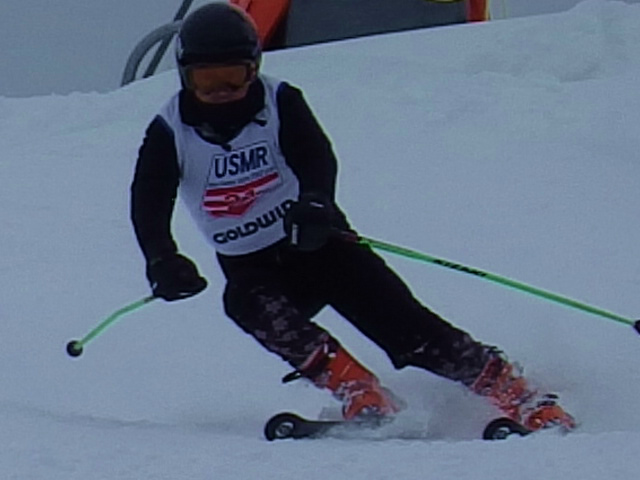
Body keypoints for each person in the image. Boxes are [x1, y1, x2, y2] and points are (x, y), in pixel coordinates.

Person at [131, 2, 574, 431]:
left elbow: (315, 155)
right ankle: (358, 390)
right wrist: (161, 258)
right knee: (246, 304)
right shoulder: (170, 131)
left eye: (233, 77)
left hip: (320, 245)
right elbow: (149, 198)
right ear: (185, 76)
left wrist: (316, 200)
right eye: (206, 80)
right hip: (252, 266)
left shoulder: (280, 101)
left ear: (254, 68)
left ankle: (518, 393)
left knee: (408, 330)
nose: (221, 92)